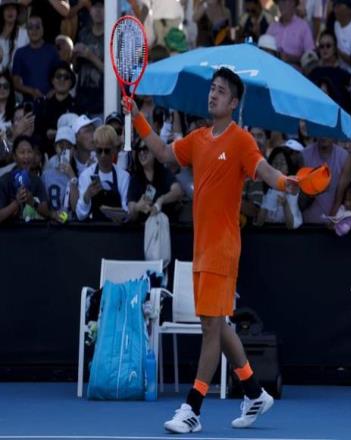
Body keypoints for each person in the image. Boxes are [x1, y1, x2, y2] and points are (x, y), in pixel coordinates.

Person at [123, 67, 298, 433]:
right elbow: (163, 153)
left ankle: (192, 408)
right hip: (201, 248)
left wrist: (285, 182)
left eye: (221, 91)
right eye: (212, 88)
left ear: (233, 103)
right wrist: (137, 116)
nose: (213, 94)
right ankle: (254, 392)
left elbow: (264, 170)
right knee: (217, 323)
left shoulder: (241, 140)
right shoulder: (199, 138)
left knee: (210, 328)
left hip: (223, 248)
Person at [76, 125, 130, 221]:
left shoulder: (124, 177)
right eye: (99, 150)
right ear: (94, 150)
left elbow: (127, 212)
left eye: (107, 151)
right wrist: (86, 197)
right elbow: (80, 215)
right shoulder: (85, 175)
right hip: (94, 228)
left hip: (117, 229)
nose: (103, 155)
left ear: (114, 150)